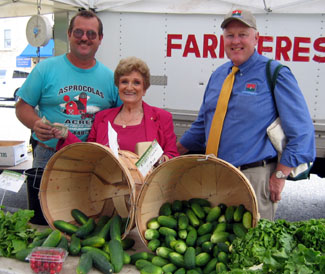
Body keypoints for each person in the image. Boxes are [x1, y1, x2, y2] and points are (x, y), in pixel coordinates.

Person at [177, 9, 315, 220]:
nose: (236, 41)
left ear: (256, 38)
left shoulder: (275, 73)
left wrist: (280, 175)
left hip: (254, 177)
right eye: (230, 35)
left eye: (242, 34)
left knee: (253, 246)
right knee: (219, 245)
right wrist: (171, 152)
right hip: (216, 174)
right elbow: (203, 124)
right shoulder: (218, 75)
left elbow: (302, 131)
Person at [15, 10, 122, 168]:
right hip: (49, 154)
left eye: (91, 34)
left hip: (93, 158)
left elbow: (124, 116)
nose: (84, 38)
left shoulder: (110, 79)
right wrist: (36, 123)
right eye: (78, 32)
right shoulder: (45, 69)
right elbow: (22, 107)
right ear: (69, 34)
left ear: (100, 39)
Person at [53, 56, 179, 163]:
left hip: (146, 189)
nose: (129, 88)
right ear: (118, 86)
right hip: (107, 189)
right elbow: (89, 154)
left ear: (145, 89)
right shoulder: (102, 117)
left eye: (136, 82)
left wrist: (160, 160)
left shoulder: (162, 117)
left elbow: (172, 155)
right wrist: (66, 135)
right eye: (124, 82)